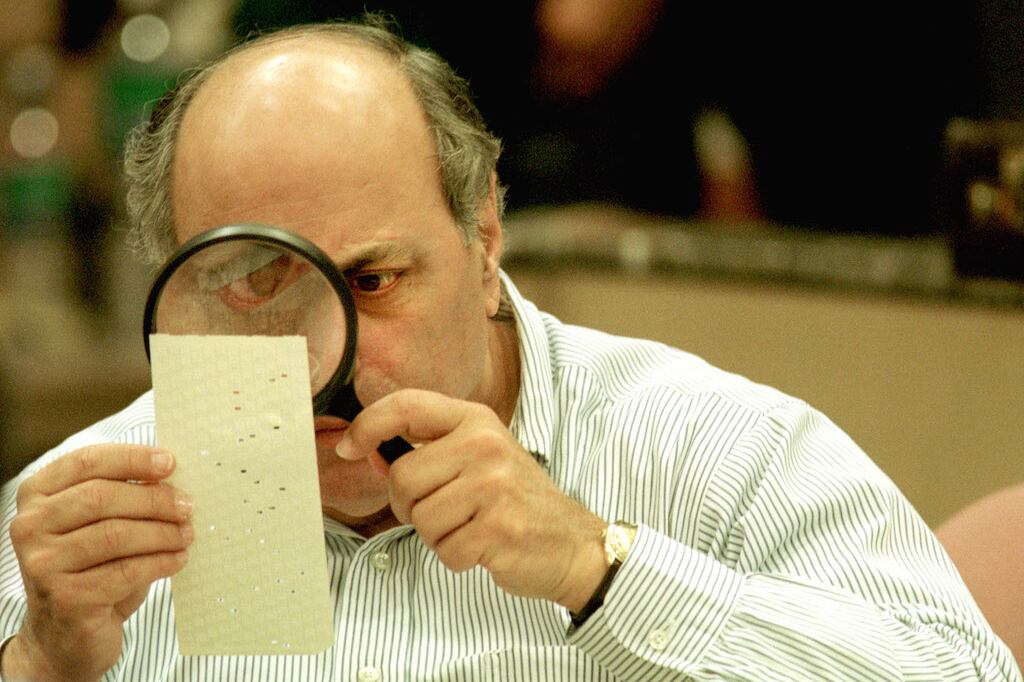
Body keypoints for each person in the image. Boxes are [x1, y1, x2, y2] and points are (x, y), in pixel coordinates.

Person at [0, 16, 1018, 682]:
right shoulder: (72, 524)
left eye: (369, 283)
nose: (320, 362)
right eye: (253, 288)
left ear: (483, 243)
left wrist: (600, 564)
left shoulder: (712, 452)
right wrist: (42, 660)